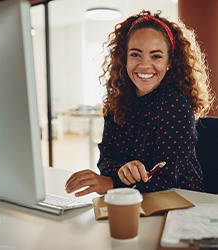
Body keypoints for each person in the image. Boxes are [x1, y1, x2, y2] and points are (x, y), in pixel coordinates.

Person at [65, 10, 215, 197]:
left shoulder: (176, 105)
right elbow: (106, 160)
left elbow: (167, 177)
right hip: (135, 199)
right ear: (124, 58)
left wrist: (112, 182)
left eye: (156, 56)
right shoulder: (117, 102)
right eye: (135, 54)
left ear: (170, 61)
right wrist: (121, 170)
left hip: (181, 200)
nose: (144, 65)